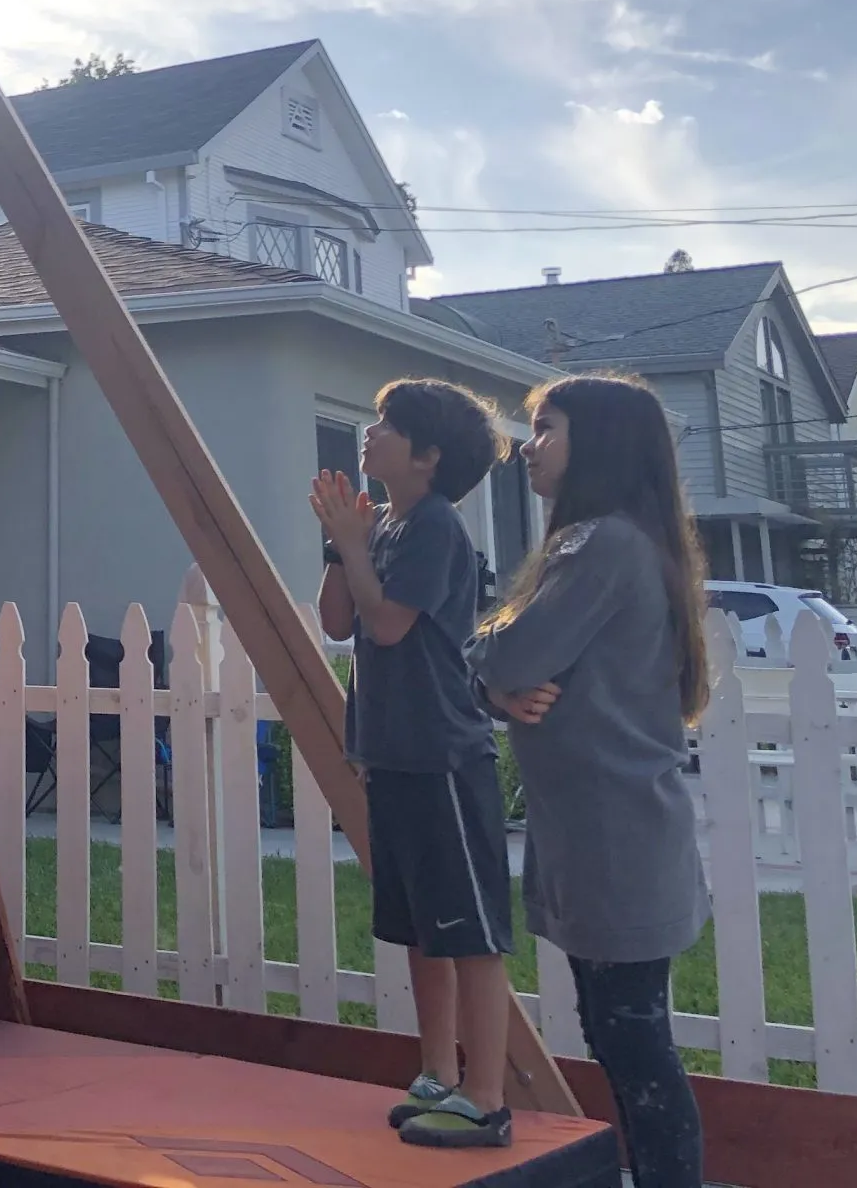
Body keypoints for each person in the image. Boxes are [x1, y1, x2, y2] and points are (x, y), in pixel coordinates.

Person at [468, 374, 710, 1188]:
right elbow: (512, 669)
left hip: (614, 835)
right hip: (616, 827)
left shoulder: (599, 544)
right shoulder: (628, 540)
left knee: (633, 1042)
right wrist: (498, 683)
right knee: (625, 1035)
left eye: (548, 428)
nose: (530, 446)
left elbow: (510, 654)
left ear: (596, 444)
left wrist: (490, 672)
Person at [310, 379, 515, 1150]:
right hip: (389, 754)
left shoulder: (434, 527)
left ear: (428, 457)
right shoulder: (386, 525)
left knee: (469, 934)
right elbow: (338, 622)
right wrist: (341, 543)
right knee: (423, 932)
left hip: (442, 757)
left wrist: (357, 547)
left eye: (389, 426)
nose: (370, 433)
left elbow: (390, 625)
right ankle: (436, 1075)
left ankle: (486, 1097)